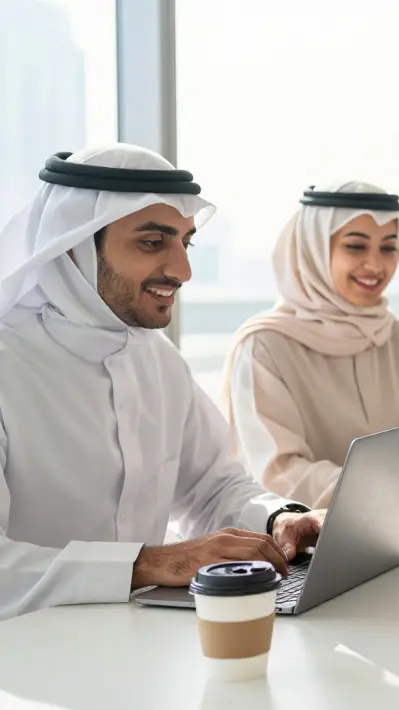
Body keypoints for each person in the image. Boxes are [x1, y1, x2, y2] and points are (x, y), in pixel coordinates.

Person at [0, 145, 324, 621]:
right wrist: (147, 563)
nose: (183, 271)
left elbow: (212, 488)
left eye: (185, 243)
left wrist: (281, 519)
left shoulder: (159, 360)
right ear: (72, 246)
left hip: (145, 644)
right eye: (153, 243)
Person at [222, 183, 399, 508]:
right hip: (311, 545)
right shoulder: (263, 345)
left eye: (388, 248)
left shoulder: (397, 338)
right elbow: (278, 475)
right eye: (355, 247)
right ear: (312, 250)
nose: (376, 265)